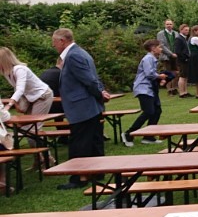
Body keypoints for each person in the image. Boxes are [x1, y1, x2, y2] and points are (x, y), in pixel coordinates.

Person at [51, 28, 110, 189]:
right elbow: (93, 77)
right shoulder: (81, 52)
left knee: (80, 142)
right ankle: (97, 172)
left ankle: (79, 178)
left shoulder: (73, 56)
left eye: (54, 42)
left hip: (82, 107)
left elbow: (89, 80)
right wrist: (101, 92)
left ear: (62, 41)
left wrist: (99, 94)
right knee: (94, 140)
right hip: (89, 105)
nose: (53, 45)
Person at [123, 40, 170, 147]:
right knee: (149, 111)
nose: (161, 49)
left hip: (149, 89)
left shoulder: (152, 59)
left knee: (157, 111)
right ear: (153, 48)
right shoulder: (148, 58)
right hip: (143, 88)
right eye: (159, 47)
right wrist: (160, 76)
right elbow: (149, 74)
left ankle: (148, 136)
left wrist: (159, 79)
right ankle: (128, 134)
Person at [0, 47, 55, 119]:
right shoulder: (7, 73)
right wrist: (17, 103)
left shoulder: (20, 69)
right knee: (26, 123)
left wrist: (9, 105)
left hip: (42, 95)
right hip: (31, 98)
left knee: (34, 122)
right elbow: (16, 87)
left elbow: (20, 89)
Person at [156, 19, 180, 94]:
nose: (169, 25)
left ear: (173, 25)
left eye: (170, 24)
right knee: (168, 73)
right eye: (167, 24)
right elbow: (161, 45)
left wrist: (176, 53)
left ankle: (174, 88)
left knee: (176, 73)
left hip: (175, 56)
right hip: (166, 56)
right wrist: (171, 54)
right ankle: (169, 89)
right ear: (165, 25)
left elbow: (178, 44)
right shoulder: (160, 34)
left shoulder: (176, 33)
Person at [174, 23, 191, 97]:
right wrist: (185, 58)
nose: (187, 31)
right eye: (186, 30)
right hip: (182, 60)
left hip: (186, 59)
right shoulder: (179, 39)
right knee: (182, 76)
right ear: (181, 30)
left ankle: (185, 91)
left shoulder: (184, 38)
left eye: (188, 30)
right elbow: (178, 51)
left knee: (186, 76)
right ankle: (182, 92)